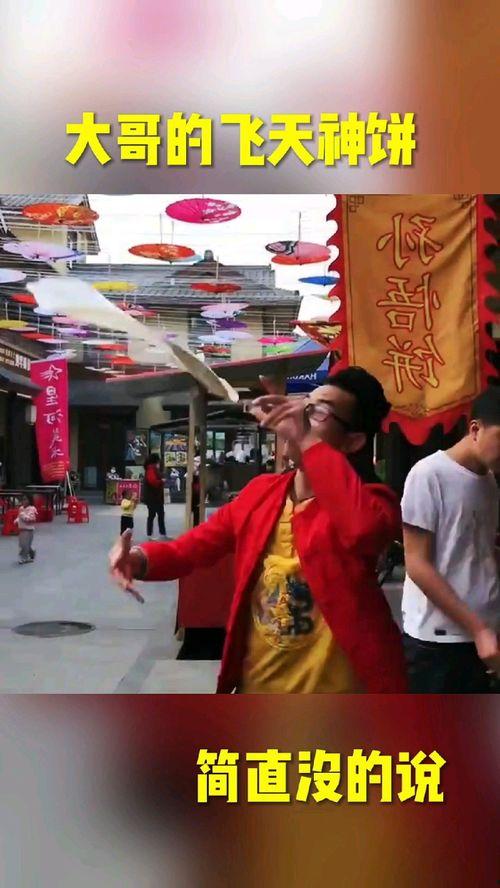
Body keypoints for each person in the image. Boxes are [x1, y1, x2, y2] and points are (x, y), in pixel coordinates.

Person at [109, 367, 407, 693]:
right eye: (304, 406)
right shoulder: (261, 493)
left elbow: (362, 531)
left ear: (353, 441)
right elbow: (188, 550)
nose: (299, 418)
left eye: (318, 413)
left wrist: (306, 438)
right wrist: (137, 559)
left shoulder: (373, 502)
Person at [401, 386, 500, 693]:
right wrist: (477, 628)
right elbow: (417, 564)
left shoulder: (489, 481)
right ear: (475, 429)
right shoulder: (429, 475)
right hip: (438, 644)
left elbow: (480, 551)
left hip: (485, 637)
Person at [142, 454, 167, 541]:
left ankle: (157, 534)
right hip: (153, 497)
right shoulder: (151, 469)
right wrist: (161, 481)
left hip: (153, 497)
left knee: (156, 514)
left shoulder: (151, 469)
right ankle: (156, 534)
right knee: (155, 515)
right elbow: (153, 481)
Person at [15, 494, 37, 564]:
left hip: (28, 530)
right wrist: (17, 520)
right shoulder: (21, 508)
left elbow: (31, 519)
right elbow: (19, 516)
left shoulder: (32, 509)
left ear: (30, 501)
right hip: (22, 529)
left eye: (25, 499)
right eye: (23, 499)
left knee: (25, 545)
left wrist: (23, 516)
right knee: (22, 544)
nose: (24, 501)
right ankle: (32, 552)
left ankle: (24, 558)